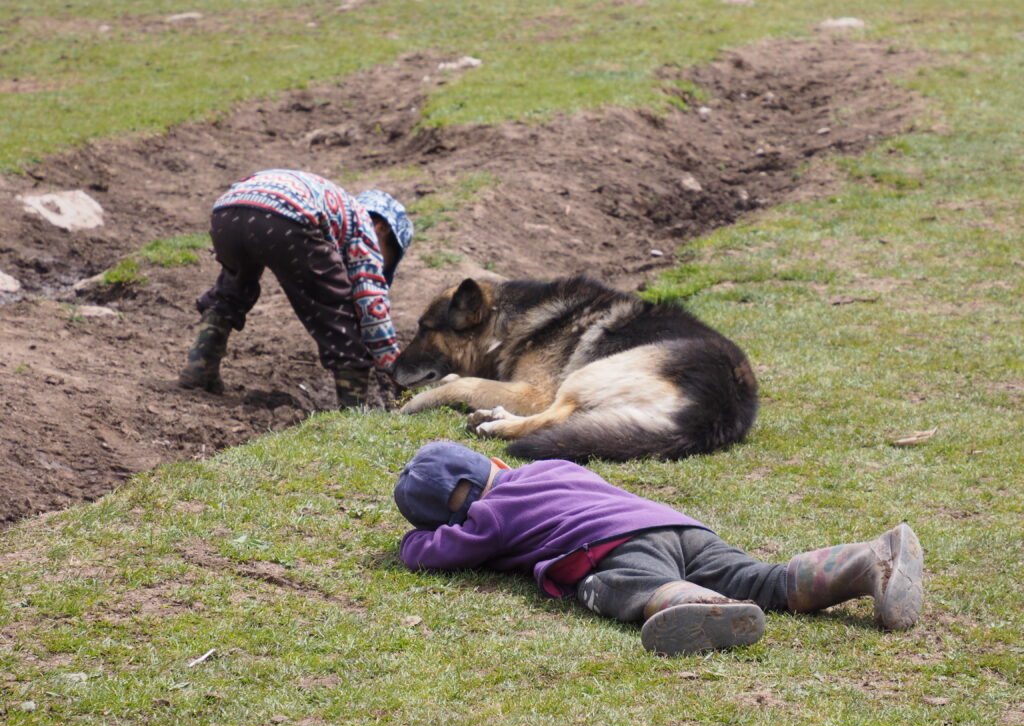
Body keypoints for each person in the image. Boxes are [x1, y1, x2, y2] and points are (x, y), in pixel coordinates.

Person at [394, 441, 925, 656]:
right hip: (677, 527)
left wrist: (411, 543)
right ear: (497, 464)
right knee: (762, 579)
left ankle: (693, 605)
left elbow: (441, 553)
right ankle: (865, 562)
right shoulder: (553, 467)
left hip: (612, 548)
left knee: (615, 586)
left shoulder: (488, 516)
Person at [178, 169, 413, 409]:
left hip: (227, 212)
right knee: (336, 309)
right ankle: (353, 409)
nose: (383, 266)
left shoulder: (336, 207)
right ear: (382, 227)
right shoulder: (364, 227)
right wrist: (397, 370)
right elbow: (371, 307)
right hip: (287, 217)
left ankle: (200, 367)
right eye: (390, 257)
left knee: (233, 286)